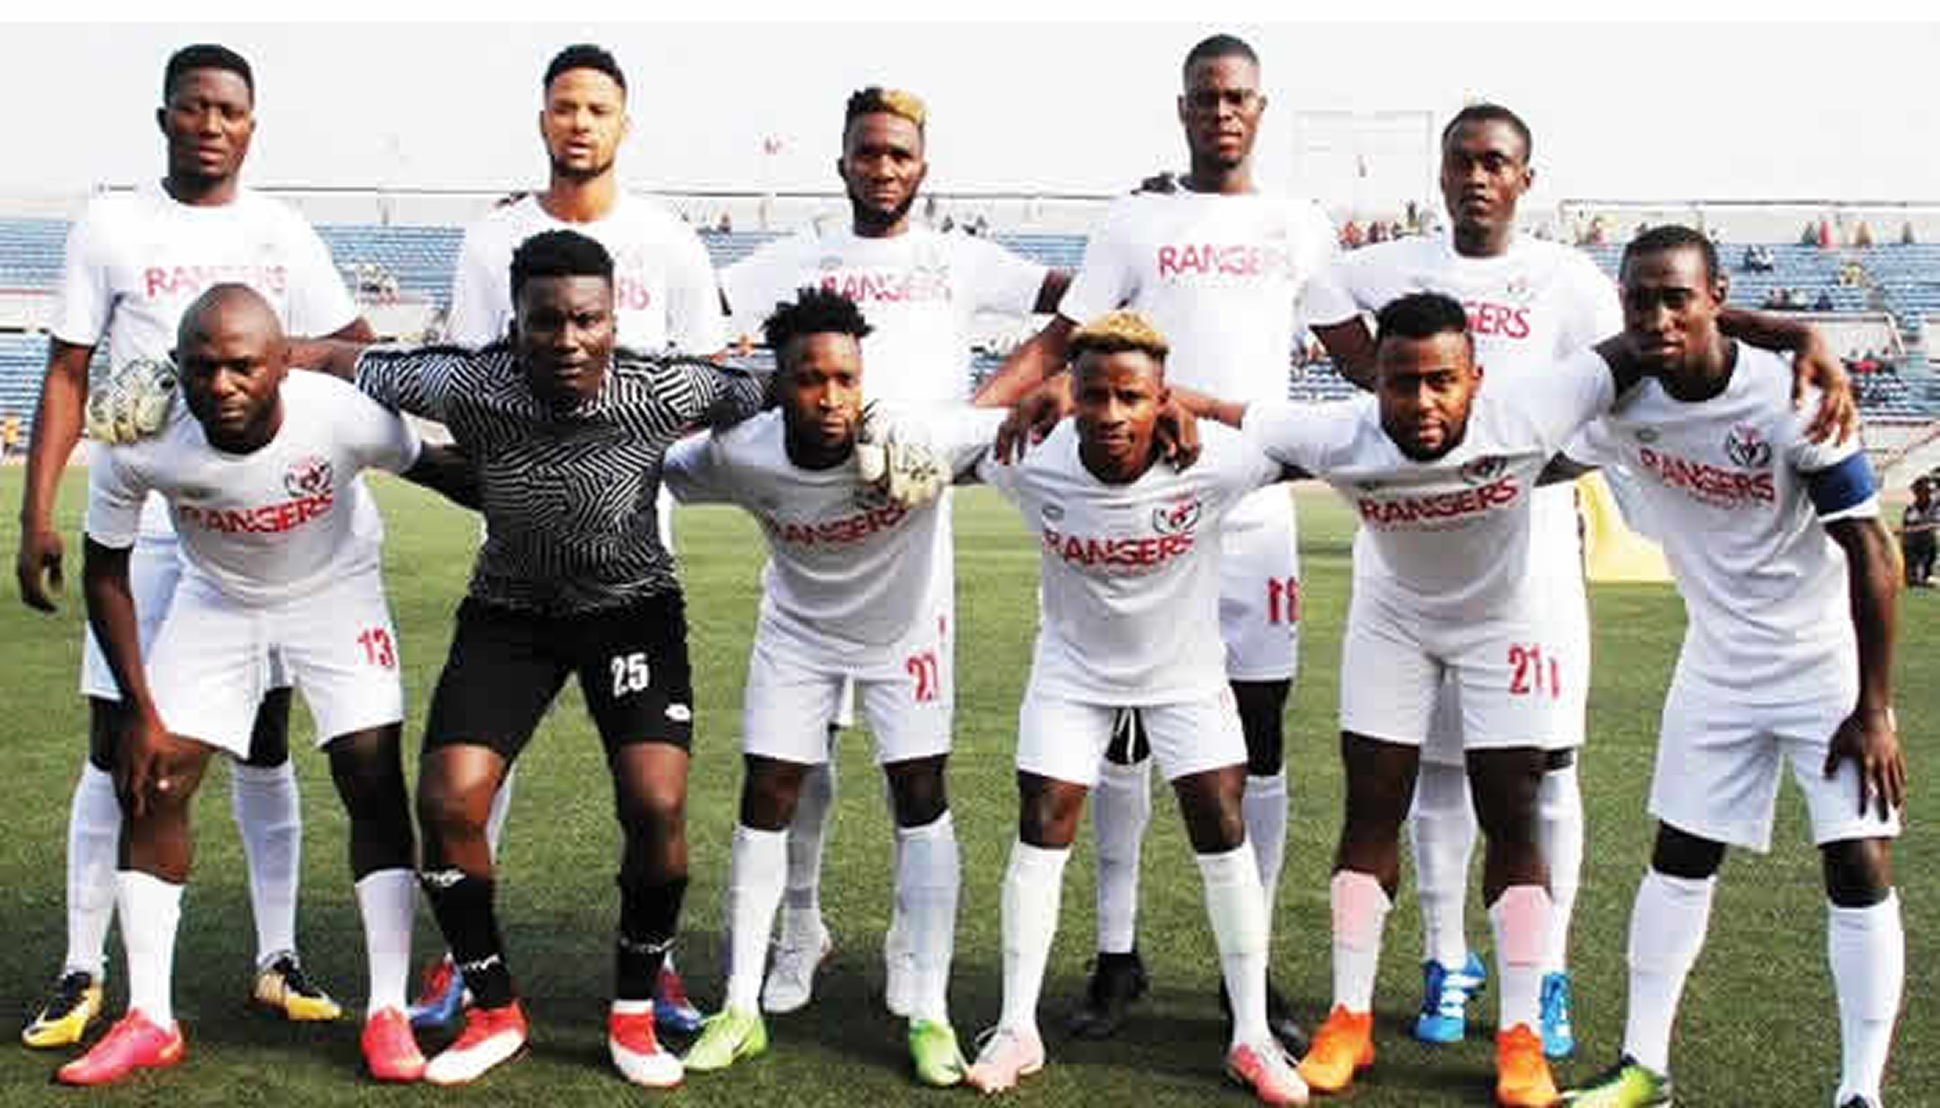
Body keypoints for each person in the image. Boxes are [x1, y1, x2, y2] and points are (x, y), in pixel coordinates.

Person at [1178, 289, 1847, 1108]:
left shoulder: (1533, 408)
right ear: (1374, 384)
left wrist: (1793, 331)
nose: (1422, 402)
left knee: (1514, 814)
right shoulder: (1335, 434)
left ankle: (1520, 1034)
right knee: (1372, 808)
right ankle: (1348, 1018)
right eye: (1401, 383)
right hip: (1394, 622)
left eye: (1441, 381)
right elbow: (1215, 410)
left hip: (1506, 624)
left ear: (1476, 379)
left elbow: (1655, 334)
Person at [291, 229, 766, 1089]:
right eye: (547, 321)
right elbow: (335, 358)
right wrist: (233, 358)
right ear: (515, 326)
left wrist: (874, 417)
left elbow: (770, 386)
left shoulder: (661, 387)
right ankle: (494, 1009)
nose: (569, 339)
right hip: (510, 615)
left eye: (588, 320)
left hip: (630, 611)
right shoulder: (466, 383)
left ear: (614, 321)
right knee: (448, 800)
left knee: (656, 803)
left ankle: (632, 1012)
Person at [975, 32, 1336, 1051]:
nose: (1221, 111)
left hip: (1246, 506)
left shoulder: (1300, 223)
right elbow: (1064, 339)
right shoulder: (1136, 218)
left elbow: (1358, 351)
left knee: (1254, 743)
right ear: (1182, 109)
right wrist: (971, 416)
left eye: (1237, 97)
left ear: (1260, 108)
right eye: (1204, 97)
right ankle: (1115, 952)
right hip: (1139, 502)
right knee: (1119, 736)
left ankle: (1245, 977)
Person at [13, 42, 376, 1049]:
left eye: (229, 110)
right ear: (164, 116)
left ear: (251, 125)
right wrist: (37, 510)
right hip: (143, 528)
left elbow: (356, 345)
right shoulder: (112, 224)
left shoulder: (280, 232)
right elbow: (67, 372)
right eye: (193, 107)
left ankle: (277, 956)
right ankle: (82, 968)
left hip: (253, 530)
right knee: (116, 743)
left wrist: (283, 356)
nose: (211, 124)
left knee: (262, 739)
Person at [717, 84, 1067, 1019]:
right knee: (800, 752)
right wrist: (765, 401)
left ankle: (915, 951)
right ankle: (800, 927)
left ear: (923, 166)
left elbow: (1079, 306)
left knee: (913, 764)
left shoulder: (958, 257)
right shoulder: (796, 259)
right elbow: (703, 322)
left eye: (899, 154)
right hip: (812, 512)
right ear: (841, 162)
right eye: (867, 152)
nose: (883, 168)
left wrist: (969, 418)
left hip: (913, 520)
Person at [420, 41, 726, 1035]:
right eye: (564, 106)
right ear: (542, 119)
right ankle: (460, 961)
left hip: (631, 563)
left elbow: (707, 380)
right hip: (513, 561)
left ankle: (654, 965)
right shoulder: (490, 242)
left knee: (649, 790)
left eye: (598, 108)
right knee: (474, 772)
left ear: (624, 123)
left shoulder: (669, 242)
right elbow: (469, 381)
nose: (580, 123)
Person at [1561, 227, 1904, 1108]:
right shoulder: (1621, 403)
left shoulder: (1789, 395)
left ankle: (1859, 1091)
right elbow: (1537, 453)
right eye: (1640, 299)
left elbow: (1873, 549)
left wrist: (1874, 708)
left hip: (1823, 667)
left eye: (1678, 297)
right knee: (1677, 856)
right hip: (1715, 663)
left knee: (1857, 864)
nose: (1658, 317)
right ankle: (1643, 1069)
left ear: (1716, 296)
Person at [1306, 103, 1621, 1058]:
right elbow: (1317, 287)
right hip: (1409, 551)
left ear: (1526, 177)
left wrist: (1515, 469)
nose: (1477, 178)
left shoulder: (1568, 279)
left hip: (1531, 553)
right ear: (1439, 173)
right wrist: (1380, 389)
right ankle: (1446, 958)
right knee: (1431, 772)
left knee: (1543, 774)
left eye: (1495, 162)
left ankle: (1545, 972)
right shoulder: (1399, 263)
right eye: (1461, 162)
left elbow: (1618, 388)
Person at [56, 286, 433, 1085]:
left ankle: (388, 1010)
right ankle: (150, 1017)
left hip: (336, 593)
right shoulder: (143, 438)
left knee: (370, 777)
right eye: (202, 368)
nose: (221, 384)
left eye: (242, 366)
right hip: (217, 599)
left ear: (282, 365)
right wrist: (138, 707)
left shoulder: (342, 414)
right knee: (154, 781)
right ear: (178, 366)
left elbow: (437, 468)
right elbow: (104, 570)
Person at [963, 311, 1308, 1107]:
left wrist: (1204, 408)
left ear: (1162, 399)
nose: (1113, 414)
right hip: (1073, 674)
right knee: (1043, 817)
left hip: (1185, 677)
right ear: (1071, 397)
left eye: (1133, 397)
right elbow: (943, 441)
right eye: (1095, 395)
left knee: (1222, 820)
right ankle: (1016, 1027)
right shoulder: (1031, 457)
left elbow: (1313, 442)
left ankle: (1250, 1034)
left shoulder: (1215, 459)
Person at [663, 288, 1003, 1085]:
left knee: (920, 794)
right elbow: (656, 465)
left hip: (904, 636)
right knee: (768, 792)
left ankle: (930, 1012)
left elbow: (1038, 420)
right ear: (778, 384)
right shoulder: (740, 453)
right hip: (798, 635)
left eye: (845, 378)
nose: (830, 397)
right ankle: (739, 1007)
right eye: (809, 378)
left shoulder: (919, 435)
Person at [1899, 477, 1937, 587]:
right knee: (1911, 580)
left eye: (1927, 492)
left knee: (1925, 576)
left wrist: (1913, 529)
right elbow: (1906, 525)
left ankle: (1924, 575)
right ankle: (1914, 575)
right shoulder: (1911, 508)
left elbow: (1934, 524)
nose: (1925, 494)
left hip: (1928, 543)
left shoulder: (1935, 507)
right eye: (1918, 491)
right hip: (1911, 545)